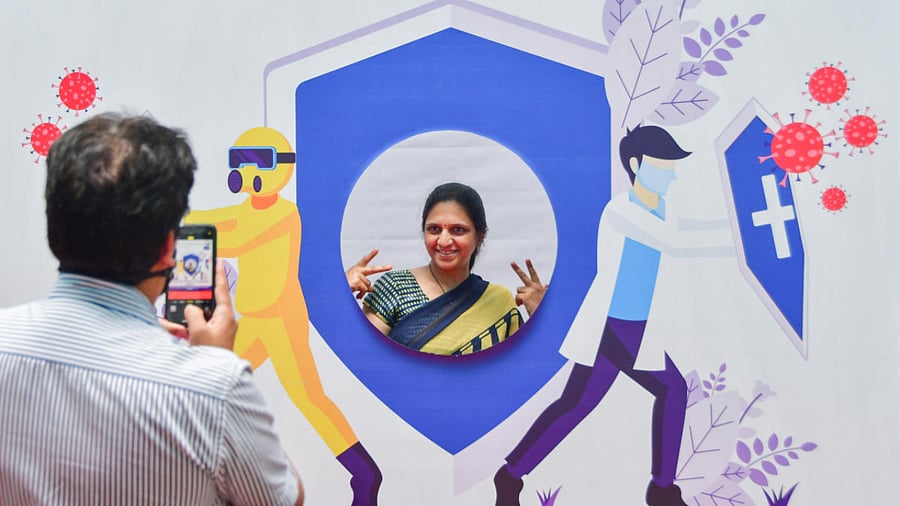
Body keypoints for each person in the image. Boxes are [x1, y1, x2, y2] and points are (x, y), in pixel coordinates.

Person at [0, 114, 303, 505]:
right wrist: (215, 366)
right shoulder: (214, 385)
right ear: (167, 249)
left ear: (54, 225)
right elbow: (284, 499)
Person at [493, 125, 696, 506]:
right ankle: (662, 489)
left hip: (636, 325)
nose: (670, 174)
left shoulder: (661, 209)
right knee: (672, 389)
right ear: (635, 165)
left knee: (576, 404)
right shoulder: (621, 210)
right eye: (662, 165)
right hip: (614, 325)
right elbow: (675, 241)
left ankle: (510, 476)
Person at [185, 126, 381, 506]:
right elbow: (213, 219)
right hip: (254, 321)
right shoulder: (245, 211)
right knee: (205, 386)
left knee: (309, 399)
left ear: (281, 167)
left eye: (258, 160)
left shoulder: (284, 214)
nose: (247, 169)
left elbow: (236, 238)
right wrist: (174, 215)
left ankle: (365, 474)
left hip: (281, 320)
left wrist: (182, 224)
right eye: (240, 161)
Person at [346, 182, 546, 356]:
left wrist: (542, 315)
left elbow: (522, 372)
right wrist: (341, 294)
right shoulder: (394, 288)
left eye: (458, 230)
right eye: (434, 229)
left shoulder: (499, 301)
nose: (443, 241)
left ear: (480, 236)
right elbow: (361, 359)